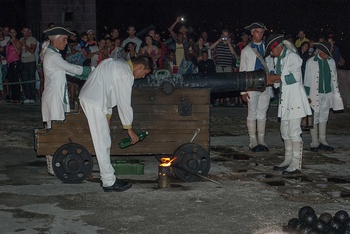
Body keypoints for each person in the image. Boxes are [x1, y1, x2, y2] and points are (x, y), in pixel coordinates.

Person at [79, 55, 152, 192]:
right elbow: (124, 102)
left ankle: (107, 178)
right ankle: (108, 182)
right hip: (94, 101)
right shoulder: (124, 73)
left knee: (104, 140)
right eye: (145, 73)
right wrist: (129, 128)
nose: (143, 76)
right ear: (141, 67)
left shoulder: (119, 64)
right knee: (103, 143)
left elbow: (109, 90)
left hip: (94, 99)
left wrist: (108, 115)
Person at [41, 27, 93, 175]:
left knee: (58, 128)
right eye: (64, 40)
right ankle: (52, 164)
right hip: (53, 98)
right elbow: (73, 69)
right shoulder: (52, 56)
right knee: (54, 130)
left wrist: (88, 75)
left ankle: (57, 162)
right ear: (55, 40)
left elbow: (70, 72)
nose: (66, 43)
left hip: (57, 96)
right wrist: (95, 69)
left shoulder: (53, 54)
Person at [265, 34, 312, 175]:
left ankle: (296, 164)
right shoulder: (279, 58)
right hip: (285, 100)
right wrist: (274, 80)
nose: (271, 54)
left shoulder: (293, 57)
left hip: (295, 99)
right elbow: (281, 80)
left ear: (278, 47)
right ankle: (287, 160)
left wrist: (277, 78)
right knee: (284, 131)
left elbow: (296, 77)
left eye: (272, 51)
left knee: (293, 132)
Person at [304, 41, 344, 152]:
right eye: (325, 54)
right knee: (315, 117)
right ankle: (314, 141)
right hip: (315, 94)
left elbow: (334, 78)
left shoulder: (331, 62)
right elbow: (307, 80)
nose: (327, 56)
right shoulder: (311, 62)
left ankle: (322, 139)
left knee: (324, 116)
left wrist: (335, 93)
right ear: (320, 52)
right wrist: (307, 96)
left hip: (328, 93)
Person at [239, 22, 273, 152]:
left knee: (262, 113)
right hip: (252, 85)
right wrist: (242, 91)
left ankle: (262, 140)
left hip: (265, 84)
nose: (260, 34)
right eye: (257, 32)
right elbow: (242, 71)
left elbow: (271, 66)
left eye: (262, 32)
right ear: (252, 33)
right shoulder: (246, 51)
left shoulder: (267, 49)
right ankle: (253, 140)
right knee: (252, 113)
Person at [20, 27, 38, 104]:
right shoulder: (21, 39)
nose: (26, 32)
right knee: (25, 80)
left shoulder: (33, 39)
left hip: (30, 62)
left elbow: (32, 51)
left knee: (31, 79)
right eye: (24, 31)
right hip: (23, 61)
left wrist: (25, 45)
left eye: (27, 31)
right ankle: (27, 96)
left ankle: (33, 97)